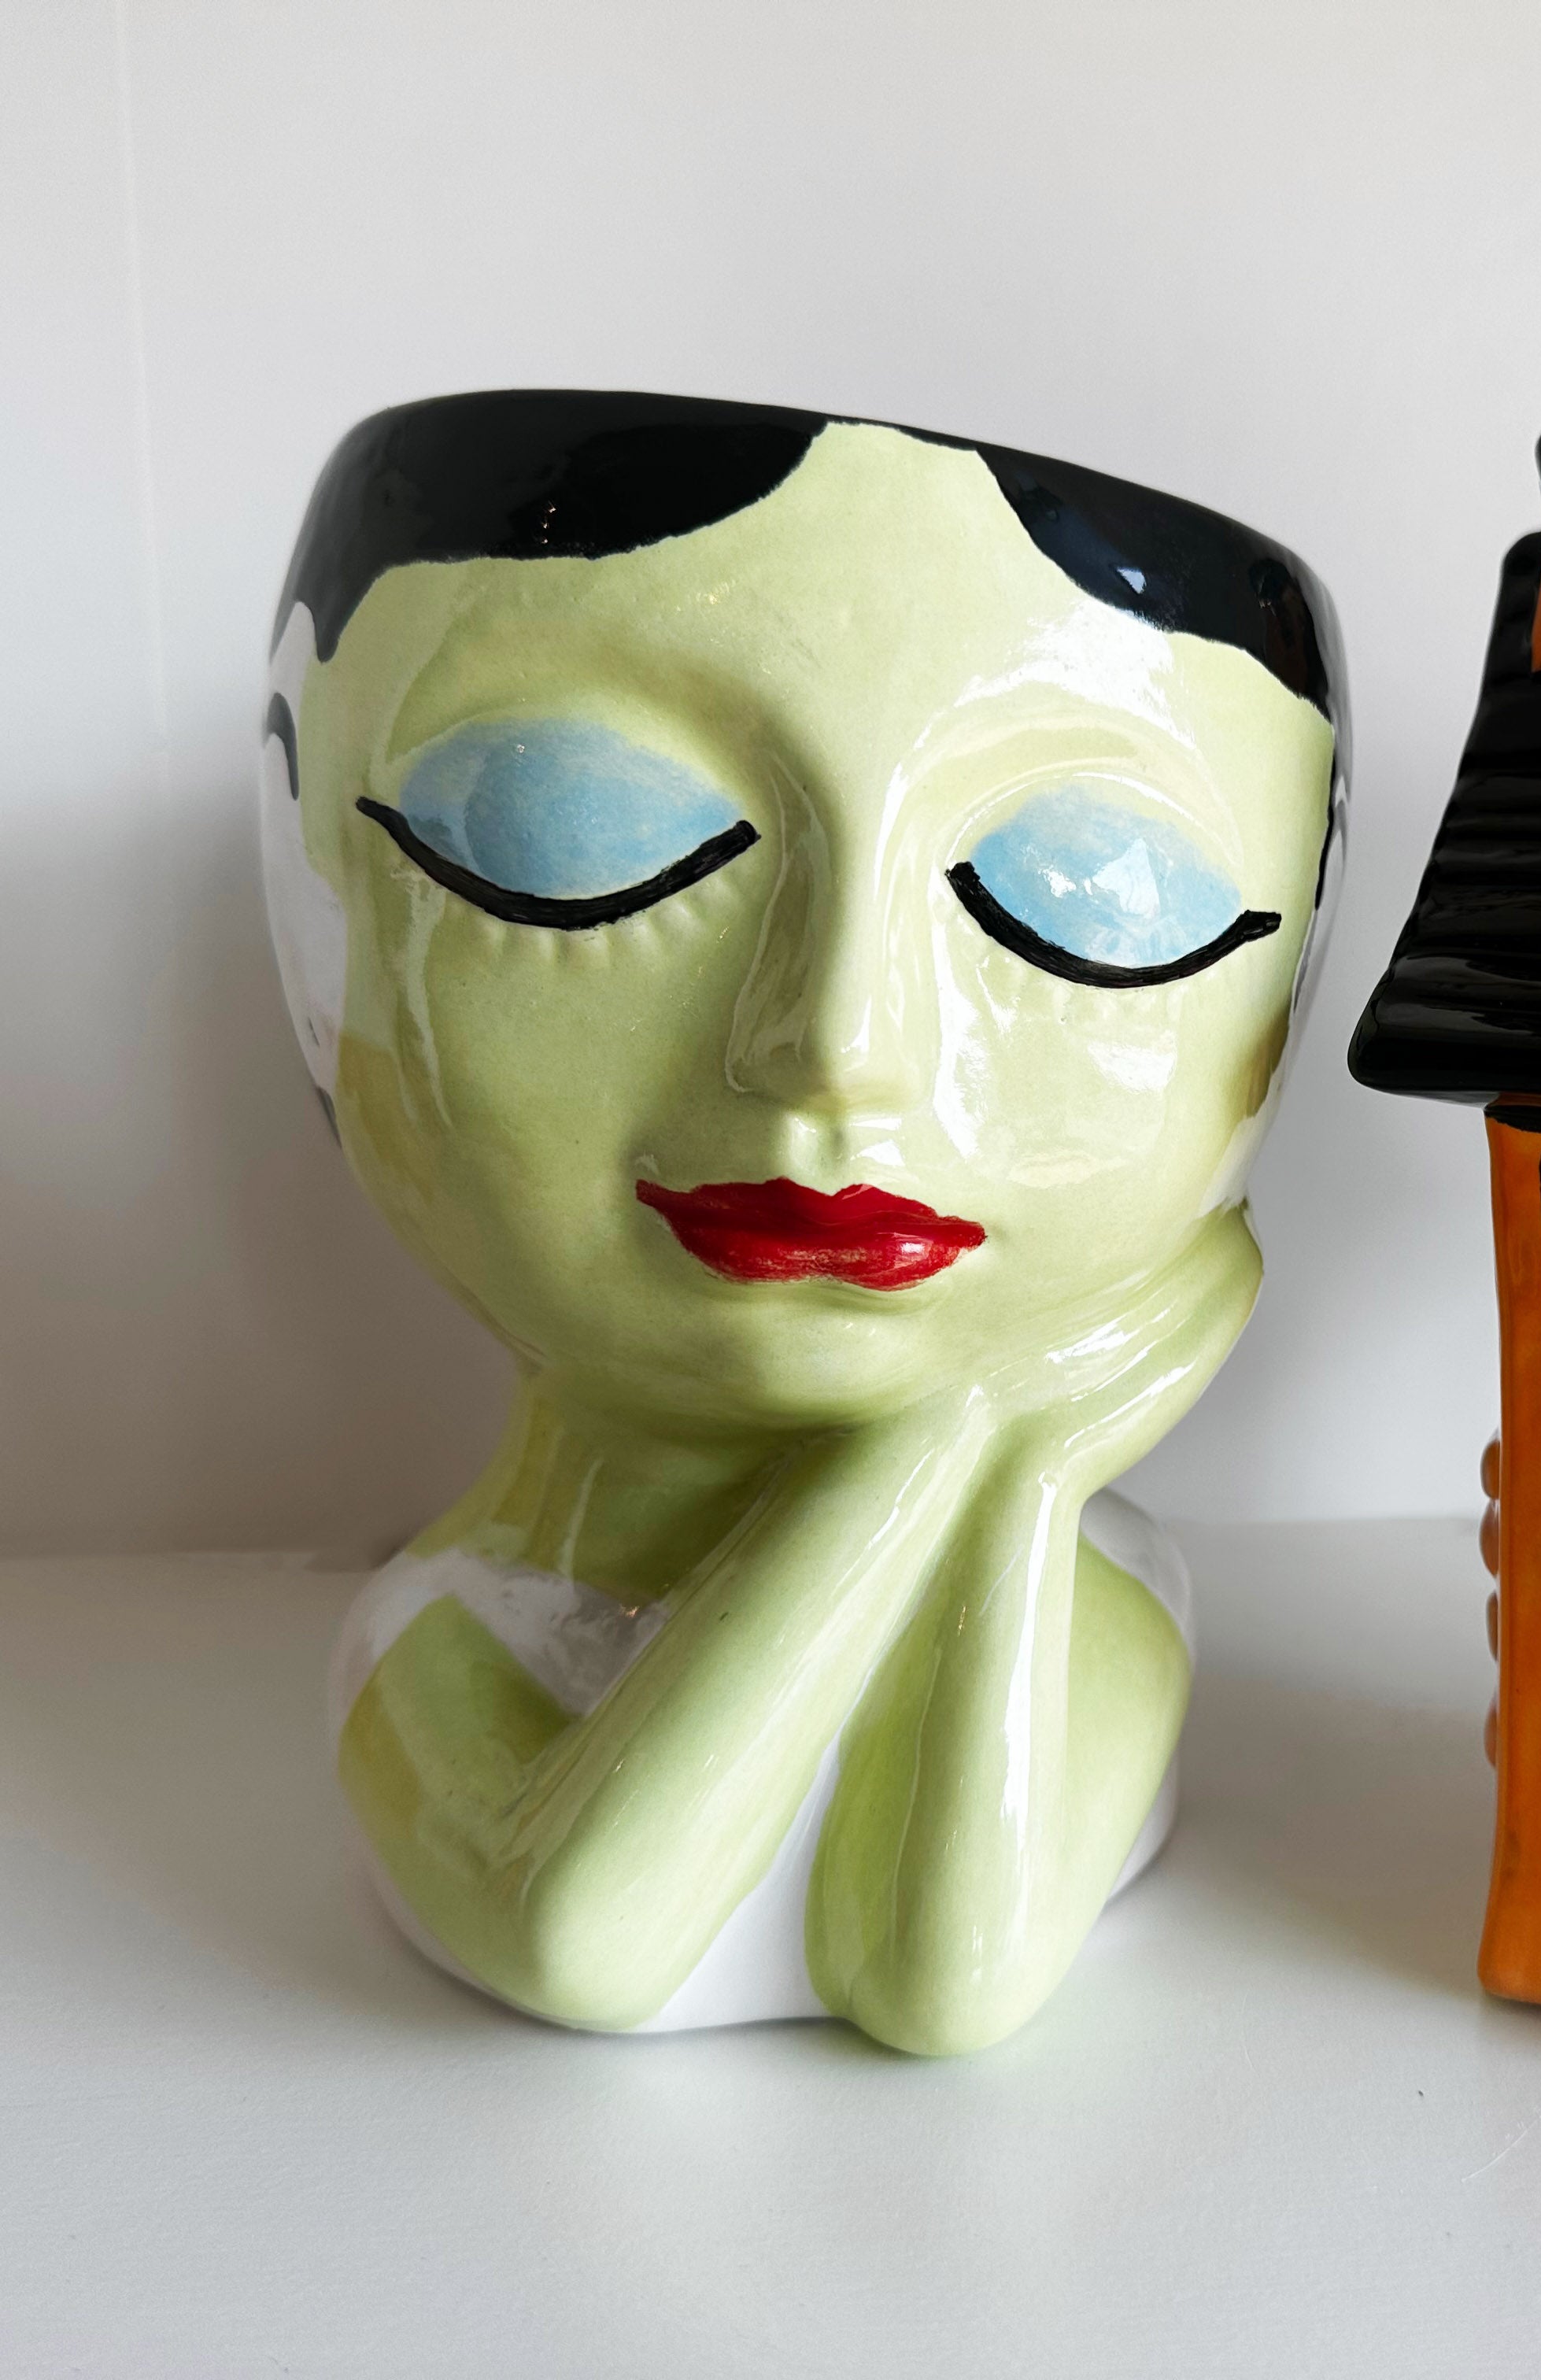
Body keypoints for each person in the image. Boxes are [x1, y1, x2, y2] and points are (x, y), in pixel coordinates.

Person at [261, 390, 1342, 2048]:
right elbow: (583, 1936)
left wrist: (1017, 1481)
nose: (838, 1045)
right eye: (590, 846)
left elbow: (949, 1981)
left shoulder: (1107, 1604)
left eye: (1081, 905)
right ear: (311, 899)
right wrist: (974, 1440)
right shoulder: (447, 1629)